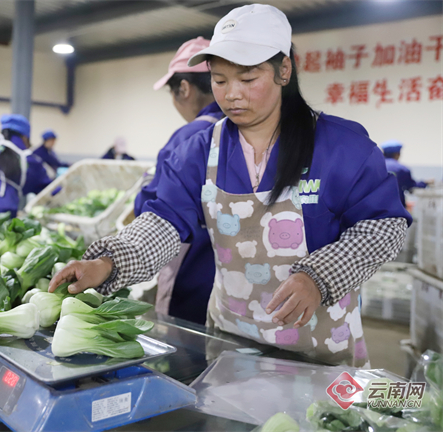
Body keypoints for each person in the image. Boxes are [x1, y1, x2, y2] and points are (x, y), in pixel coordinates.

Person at [50, 4, 412, 367]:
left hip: (321, 349)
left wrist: (320, 277)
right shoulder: (199, 151)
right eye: (220, 81)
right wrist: (107, 262)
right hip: (231, 344)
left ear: (283, 70)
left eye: (248, 79)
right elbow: (162, 223)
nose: (232, 94)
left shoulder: (341, 146)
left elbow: (384, 226)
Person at [134, 37, 224, 325]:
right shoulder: (247, 132)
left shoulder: (189, 138)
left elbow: (150, 205)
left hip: (191, 272)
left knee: (187, 356)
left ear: (184, 88)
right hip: (243, 285)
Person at [380, 140, 430, 208]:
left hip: (375, 207)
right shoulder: (401, 169)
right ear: (397, 154)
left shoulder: (374, 166)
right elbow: (411, 186)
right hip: (395, 207)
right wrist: (425, 183)